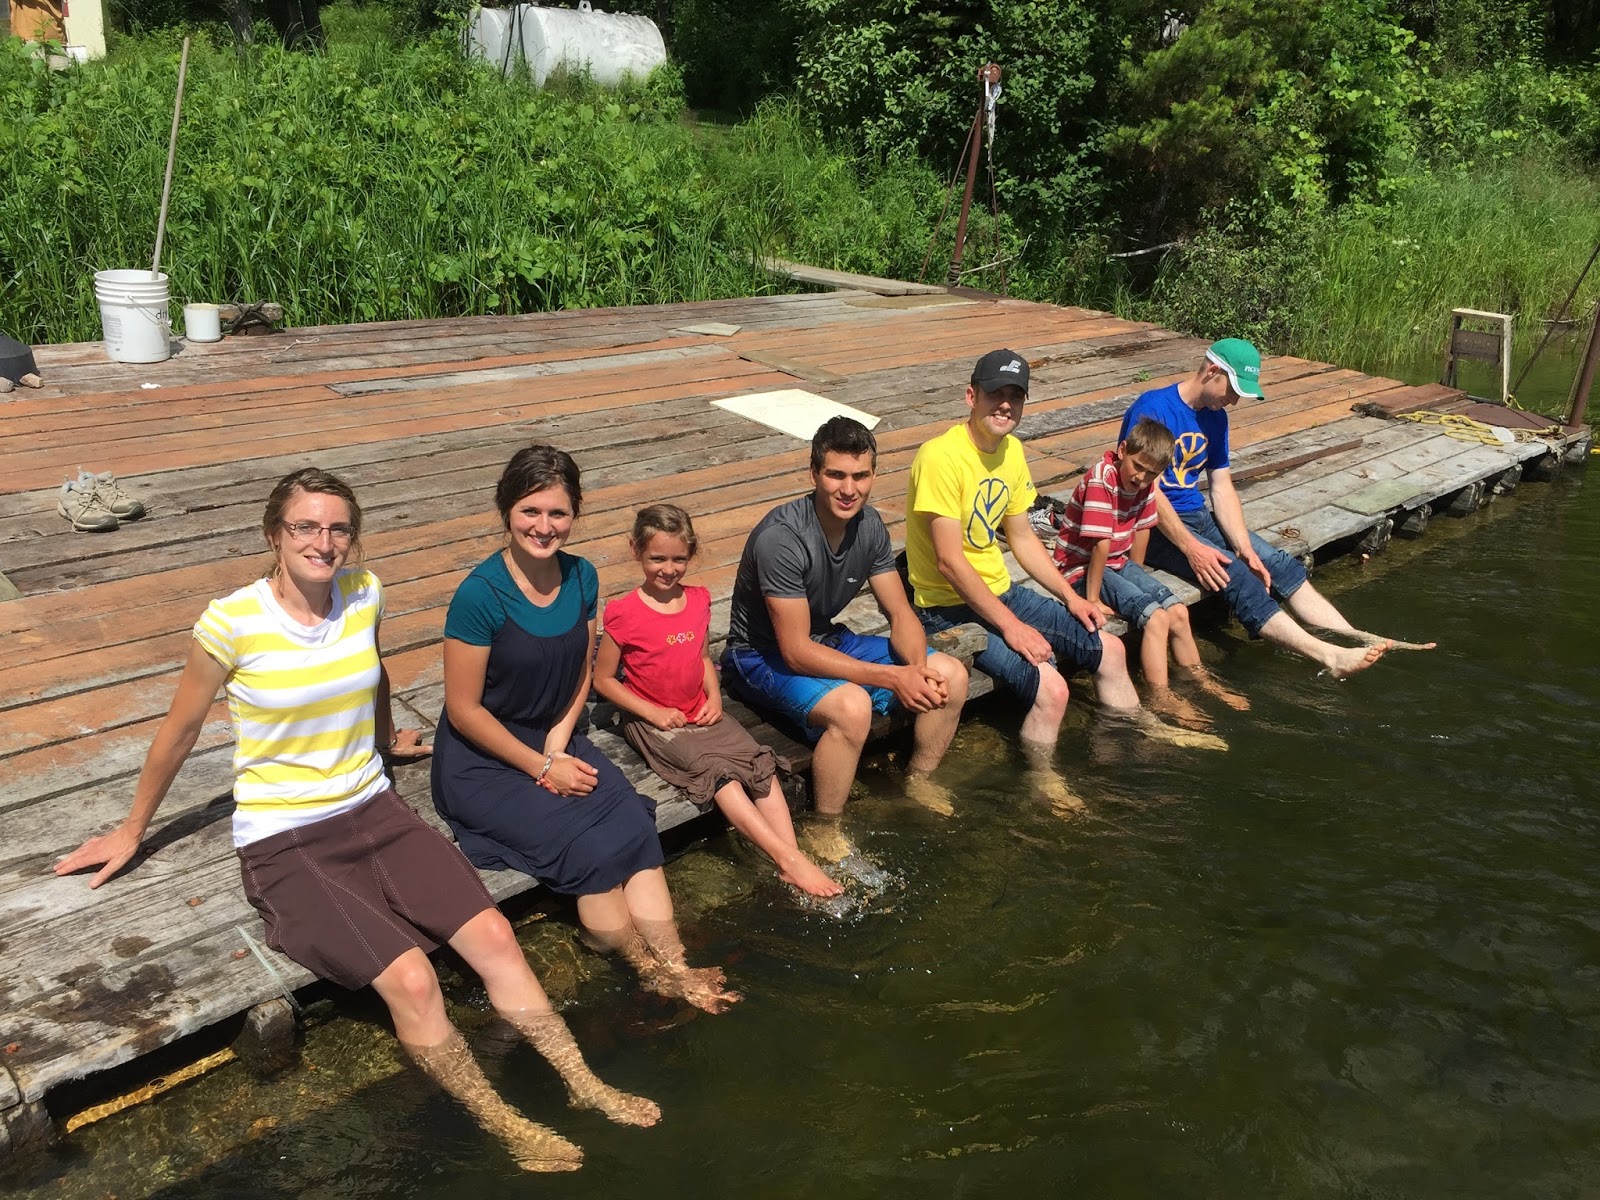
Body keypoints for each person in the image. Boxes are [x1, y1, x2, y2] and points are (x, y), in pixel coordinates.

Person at [54, 468, 657, 1174]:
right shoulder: (231, 622)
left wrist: (385, 736)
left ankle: (585, 1084)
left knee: (496, 936)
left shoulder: (364, 592)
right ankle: (505, 1124)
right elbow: (180, 731)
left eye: (339, 528)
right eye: (306, 527)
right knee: (413, 979)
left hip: (375, 808)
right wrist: (132, 829)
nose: (324, 542)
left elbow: (373, 671)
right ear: (274, 535)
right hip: (286, 836)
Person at [431, 445, 738, 1014]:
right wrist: (540, 765)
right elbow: (464, 710)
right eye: (530, 511)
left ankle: (677, 964)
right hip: (486, 760)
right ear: (506, 510)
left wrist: (558, 739)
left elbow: (581, 672)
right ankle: (650, 973)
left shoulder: (582, 576)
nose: (544, 526)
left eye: (558, 513)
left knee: (636, 832)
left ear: (575, 514)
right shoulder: (479, 595)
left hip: (556, 737)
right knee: (590, 852)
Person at [906, 350, 1220, 804]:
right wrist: (1013, 628)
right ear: (972, 396)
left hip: (1000, 591)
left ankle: (1138, 726)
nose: (1005, 405)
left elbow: (1023, 538)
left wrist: (1071, 597)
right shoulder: (941, 456)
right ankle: (1042, 778)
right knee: (1052, 689)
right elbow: (949, 563)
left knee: (1110, 648)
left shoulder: (1011, 452)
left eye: (1015, 397)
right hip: (946, 607)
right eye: (996, 394)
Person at [1123, 338, 1435, 676]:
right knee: (1235, 574)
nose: (1235, 400)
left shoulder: (1216, 418)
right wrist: (1192, 548)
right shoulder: (1153, 408)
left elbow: (1222, 486)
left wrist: (1244, 546)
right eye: (1234, 390)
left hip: (1196, 515)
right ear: (1212, 371)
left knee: (1273, 563)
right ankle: (1329, 657)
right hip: (1152, 526)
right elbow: (1148, 491)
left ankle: (1356, 638)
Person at [722, 416, 969, 841]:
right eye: (836, 475)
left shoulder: (869, 526)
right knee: (853, 708)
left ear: (874, 475)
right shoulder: (782, 538)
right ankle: (826, 827)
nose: (848, 489)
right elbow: (795, 651)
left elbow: (900, 614)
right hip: (759, 655)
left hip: (826, 638)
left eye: (860, 476)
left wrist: (915, 668)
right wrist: (893, 678)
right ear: (814, 473)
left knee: (951, 674)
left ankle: (919, 780)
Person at [594, 505, 844, 899]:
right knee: (719, 776)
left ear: (691, 554)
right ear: (635, 551)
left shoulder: (697, 600)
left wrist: (714, 696)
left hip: (701, 709)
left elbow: (702, 658)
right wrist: (651, 711)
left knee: (760, 766)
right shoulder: (624, 613)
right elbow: (604, 680)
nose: (668, 569)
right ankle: (787, 860)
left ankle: (793, 857)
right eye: (657, 558)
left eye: (679, 559)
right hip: (654, 721)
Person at [1049, 417, 1250, 727]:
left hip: (1116, 561)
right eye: (1138, 467)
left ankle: (1201, 680)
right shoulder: (1102, 480)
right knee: (1156, 617)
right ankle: (1161, 695)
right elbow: (1099, 545)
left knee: (1178, 612)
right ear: (1122, 450)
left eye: (1151, 474)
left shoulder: (1146, 485)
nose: (1142, 478)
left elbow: (1142, 530)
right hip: (1081, 567)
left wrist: (1137, 576)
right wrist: (1093, 599)